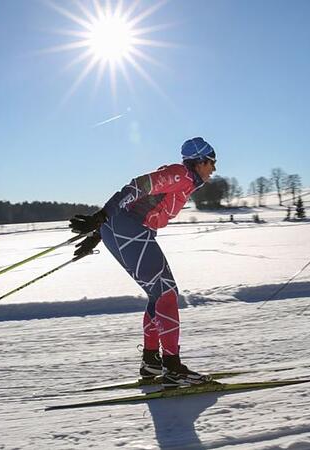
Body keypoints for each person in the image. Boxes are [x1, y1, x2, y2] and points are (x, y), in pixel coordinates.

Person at [69, 137, 217, 388]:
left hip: (122, 229)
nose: (214, 169)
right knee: (167, 293)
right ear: (200, 161)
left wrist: (98, 232)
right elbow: (137, 187)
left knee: (156, 295)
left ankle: (151, 362)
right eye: (212, 162)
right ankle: (173, 369)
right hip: (129, 228)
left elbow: (138, 202)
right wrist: (102, 216)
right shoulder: (180, 174)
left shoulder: (185, 180)